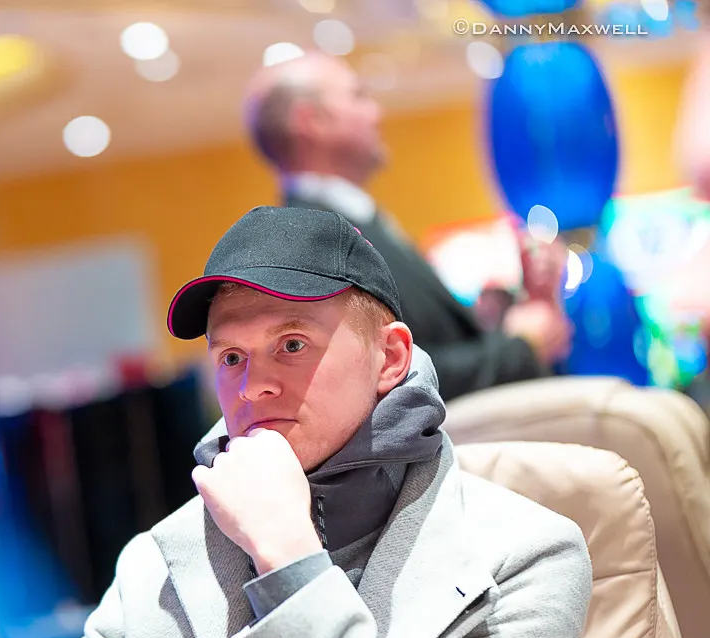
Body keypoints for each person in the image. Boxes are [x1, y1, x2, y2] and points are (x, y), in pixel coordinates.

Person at [0, 206, 593, 638]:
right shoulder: (152, 568)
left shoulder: (527, 555)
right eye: (231, 357)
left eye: (293, 344)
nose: (253, 387)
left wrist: (290, 558)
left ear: (389, 358)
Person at [242, 53, 572, 401]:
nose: (376, 113)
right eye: (358, 96)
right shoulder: (312, 243)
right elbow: (383, 374)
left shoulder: (352, 222)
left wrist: (526, 311)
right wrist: (520, 347)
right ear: (312, 120)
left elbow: (432, 339)